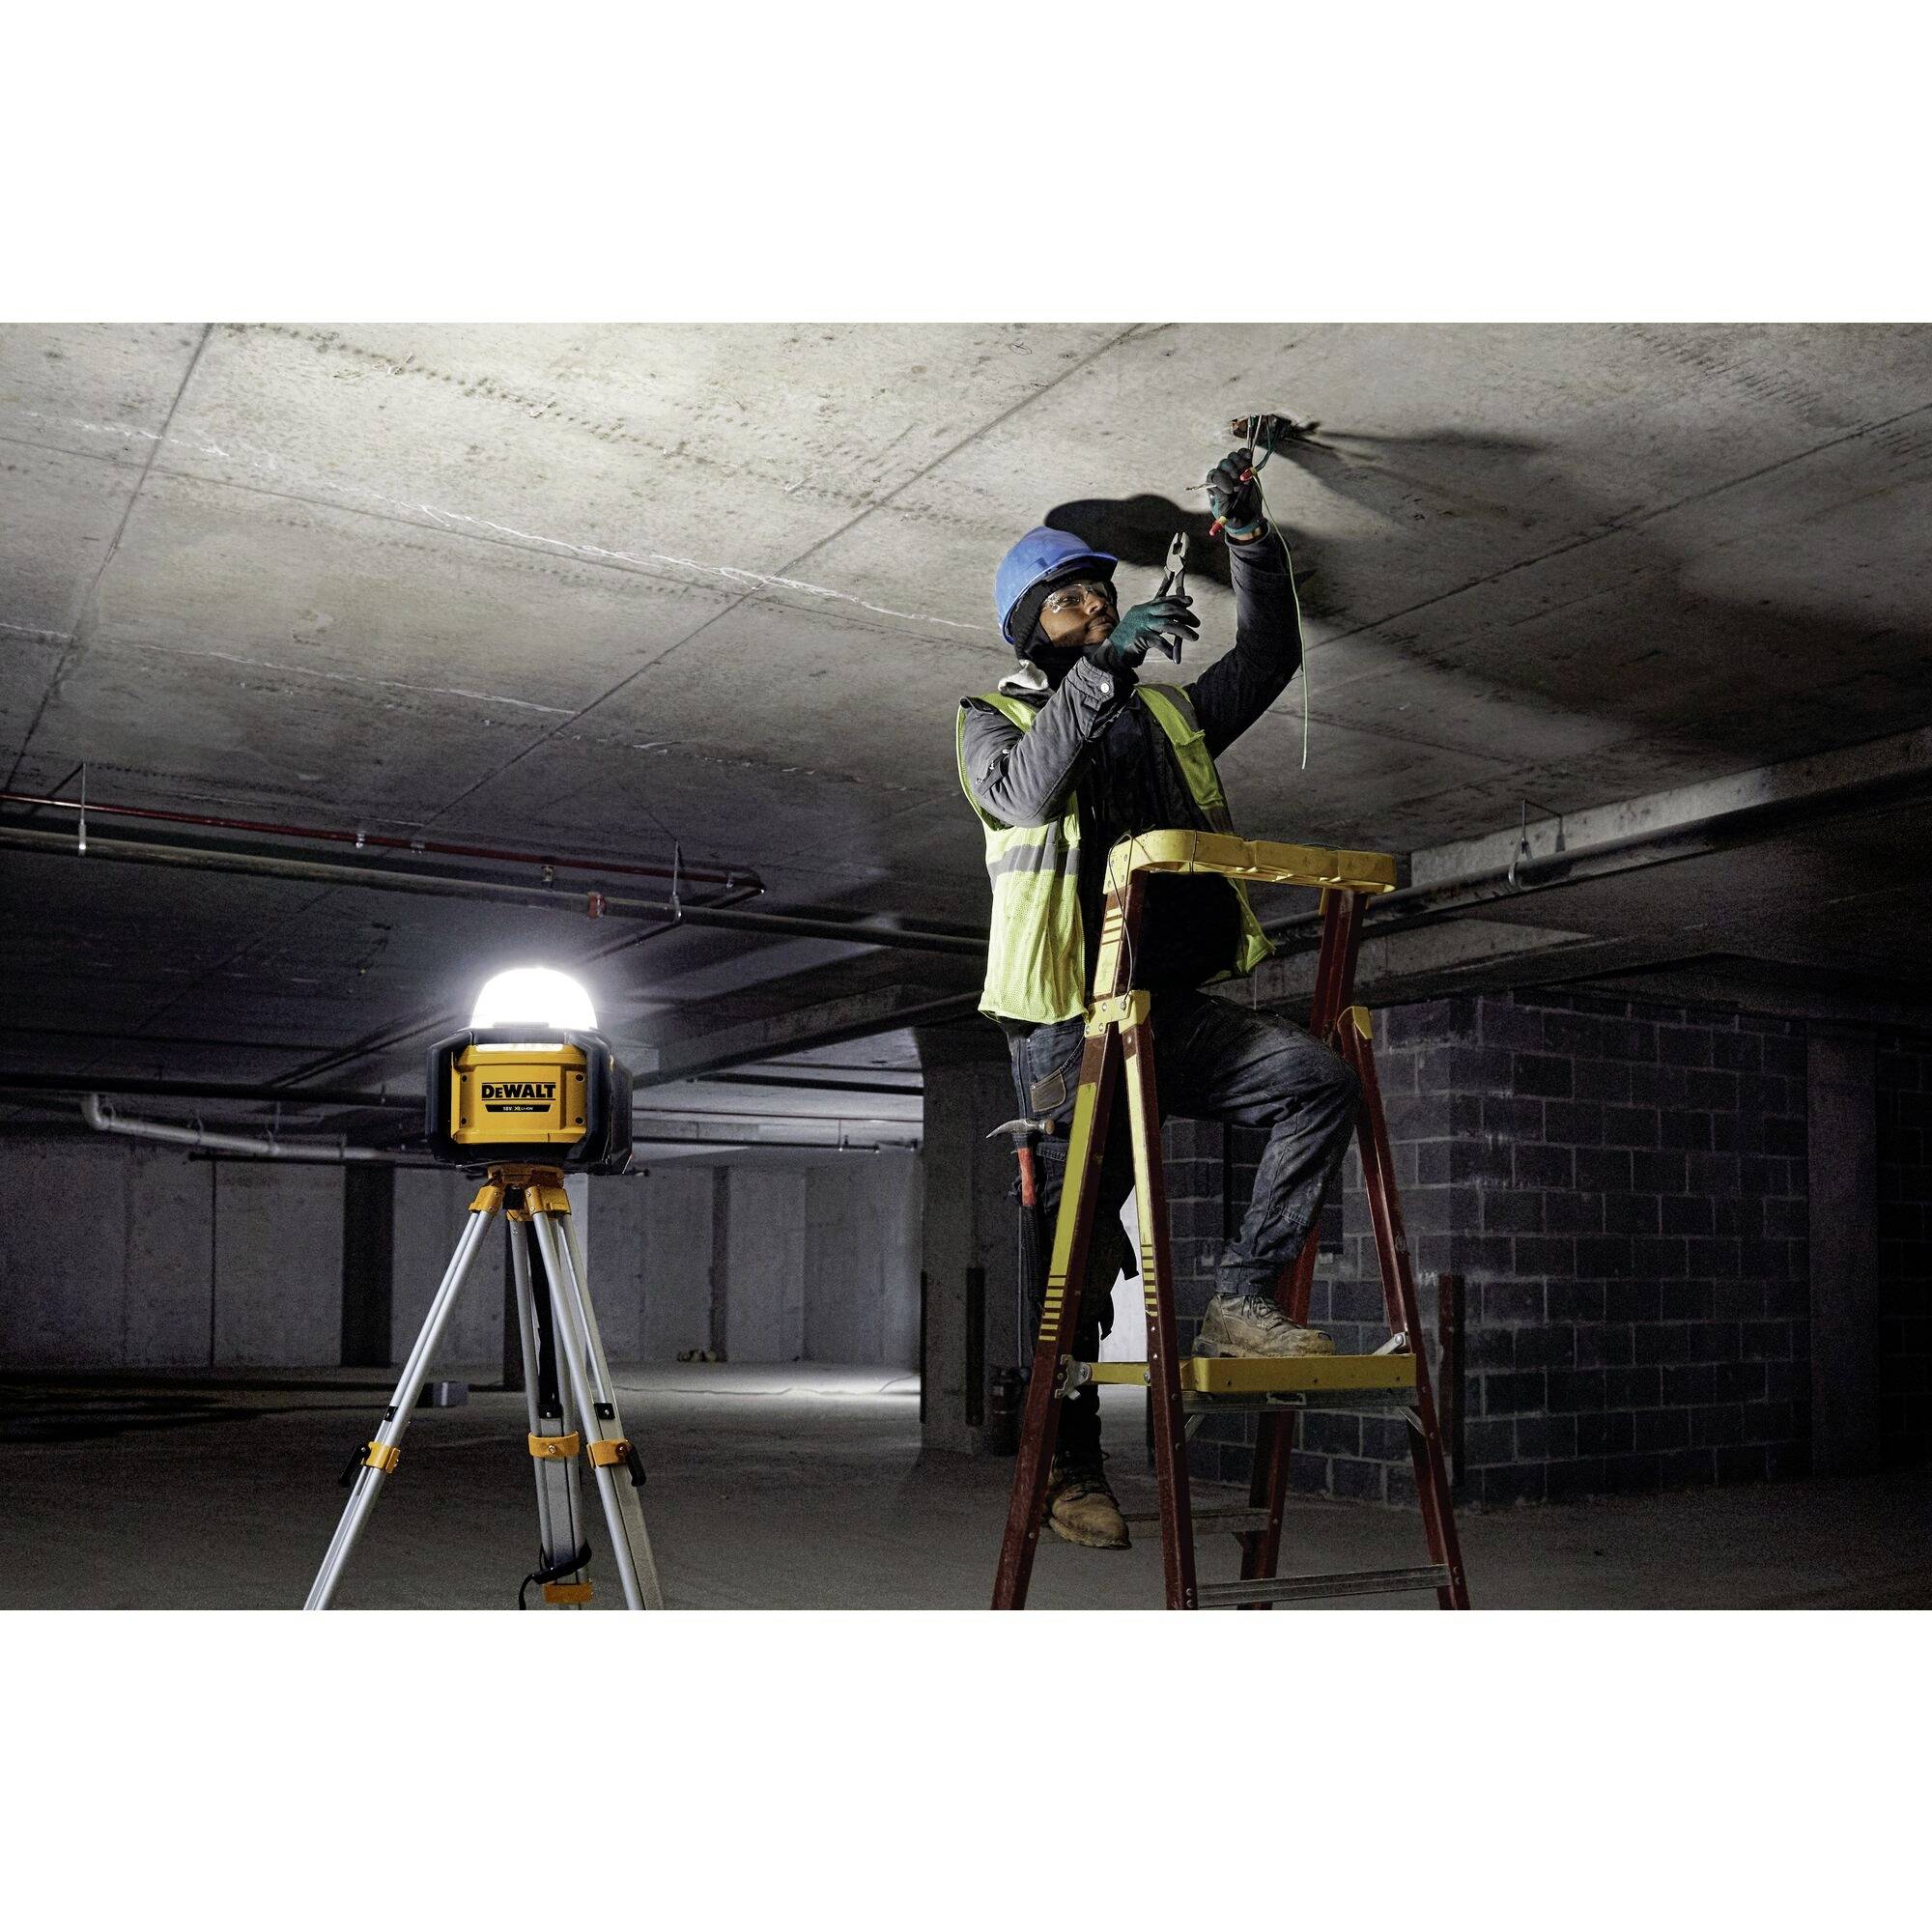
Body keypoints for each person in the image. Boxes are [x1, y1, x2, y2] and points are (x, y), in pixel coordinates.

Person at [954, 442, 1362, 1550]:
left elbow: (1265, 658)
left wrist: (1246, 540)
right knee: (1074, 1259)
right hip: (1068, 1028)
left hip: (1167, 1006)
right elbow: (1029, 788)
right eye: (1070, 601)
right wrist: (1103, 672)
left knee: (1318, 1083)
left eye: (1102, 593)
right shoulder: (989, 720)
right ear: (1032, 626)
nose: (1095, 605)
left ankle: (1239, 1301)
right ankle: (1067, 1468)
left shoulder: (1167, 717)